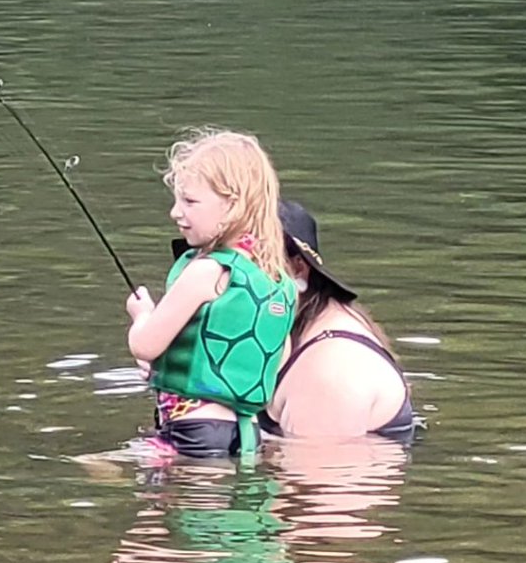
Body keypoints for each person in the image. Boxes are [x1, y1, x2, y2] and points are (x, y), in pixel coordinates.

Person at [126, 129, 296, 460]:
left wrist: (141, 314)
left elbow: (144, 344)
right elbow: (279, 353)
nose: (175, 212)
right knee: (228, 512)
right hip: (244, 432)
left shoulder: (206, 272)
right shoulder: (274, 278)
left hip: (192, 430)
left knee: (165, 507)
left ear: (232, 206)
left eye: (189, 201)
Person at [260, 200, 417, 442]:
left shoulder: (331, 369)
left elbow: (315, 474)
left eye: (245, 266)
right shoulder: (310, 325)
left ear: (297, 269)